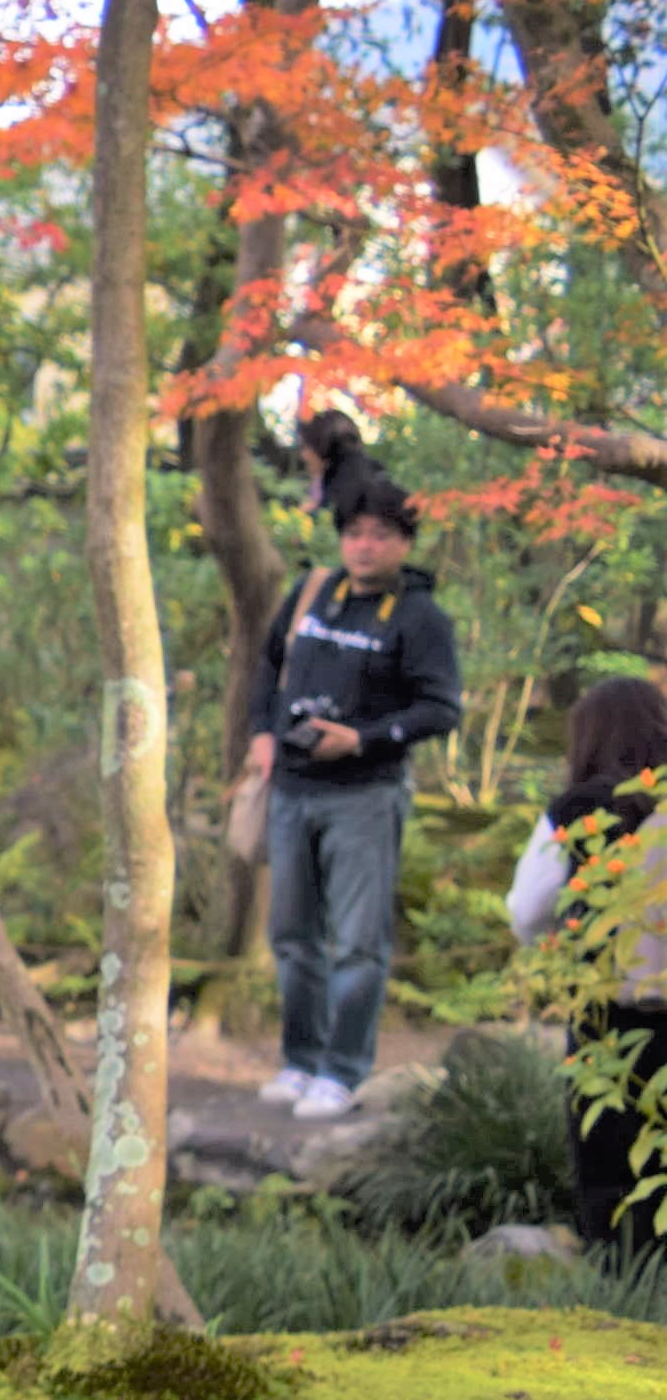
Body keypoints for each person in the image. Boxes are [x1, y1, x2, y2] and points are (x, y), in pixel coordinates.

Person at [248, 476, 462, 1120]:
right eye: (355, 533)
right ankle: (299, 1060)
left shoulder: (421, 617)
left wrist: (364, 739)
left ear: (403, 542)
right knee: (292, 935)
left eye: (380, 535)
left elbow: (440, 708)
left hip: (364, 795)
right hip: (290, 787)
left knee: (360, 941)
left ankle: (342, 1069)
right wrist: (261, 733)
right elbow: (267, 665)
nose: (365, 546)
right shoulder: (313, 592)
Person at [504, 675, 667, 1256]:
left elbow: (525, 911)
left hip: (603, 1018)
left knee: (607, 1166)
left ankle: (619, 1287)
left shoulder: (575, 813)